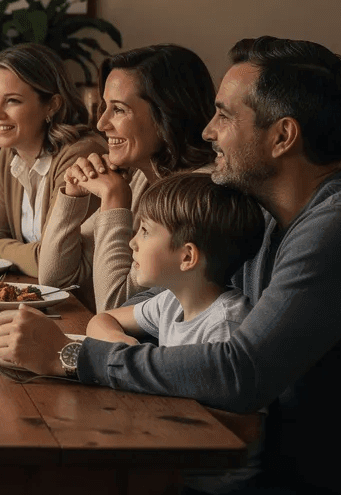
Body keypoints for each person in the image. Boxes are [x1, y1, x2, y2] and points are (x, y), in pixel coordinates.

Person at [0, 37, 341, 495]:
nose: (206, 131)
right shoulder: (269, 219)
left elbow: (240, 371)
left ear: (283, 136)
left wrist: (77, 355)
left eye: (223, 115)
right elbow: (150, 307)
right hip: (289, 477)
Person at [85, 172, 267, 495]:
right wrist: (123, 350)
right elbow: (102, 321)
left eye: (145, 230)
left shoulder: (226, 326)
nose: (132, 241)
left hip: (212, 488)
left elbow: (246, 426)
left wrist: (129, 372)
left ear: (187, 257)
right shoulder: (170, 302)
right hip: (169, 465)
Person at [35, 44, 217, 312]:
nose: (101, 124)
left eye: (119, 110)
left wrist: (114, 202)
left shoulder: (197, 194)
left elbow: (116, 307)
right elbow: (53, 281)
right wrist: (72, 195)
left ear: (167, 114)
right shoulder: (142, 177)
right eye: (104, 107)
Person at [0, 43, 106, 290]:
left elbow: (49, 262)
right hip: (36, 295)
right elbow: (2, 231)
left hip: (81, 305)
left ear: (52, 105)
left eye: (12, 101)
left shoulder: (81, 155)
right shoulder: (10, 151)